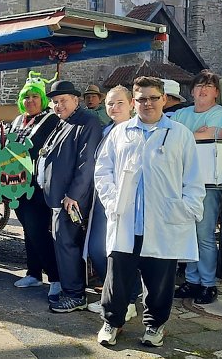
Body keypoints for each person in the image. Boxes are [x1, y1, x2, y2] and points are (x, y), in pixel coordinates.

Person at [94, 76, 205, 347]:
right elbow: (103, 171)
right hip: (127, 220)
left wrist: (187, 209)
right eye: (142, 99)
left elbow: (193, 177)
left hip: (164, 221)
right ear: (134, 102)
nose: (148, 103)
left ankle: (155, 325)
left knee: (160, 281)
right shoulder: (120, 133)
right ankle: (112, 322)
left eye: (154, 98)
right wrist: (112, 202)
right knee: (117, 278)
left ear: (164, 99)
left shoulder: (180, 134)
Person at [38, 80, 103, 312]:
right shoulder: (64, 122)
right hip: (57, 198)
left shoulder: (87, 122)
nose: (59, 105)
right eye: (55, 102)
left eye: (63, 100)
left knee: (67, 245)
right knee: (63, 244)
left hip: (70, 200)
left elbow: (87, 164)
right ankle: (71, 290)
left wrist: (73, 195)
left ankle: (75, 295)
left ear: (76, 100)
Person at [171, 70, 222, 305]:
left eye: (208, 86)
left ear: (216, 92)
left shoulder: (219, 113)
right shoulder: (181, 113)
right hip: (181, 183)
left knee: (204, 235)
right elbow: (169, 137)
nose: (203, 89)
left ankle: (208, 284)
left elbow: (217, 134)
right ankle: (191, 280)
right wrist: (197, 134)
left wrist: (184, 137)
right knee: (187, 234)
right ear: (192, 91)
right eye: (199, 85)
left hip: (208, 184)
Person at [85, 85, 140, 318]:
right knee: (100, 250)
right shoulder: (107, 129)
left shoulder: (136, 131)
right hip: (102, 199)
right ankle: (114, 296)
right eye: (110, 103)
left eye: (120, 103)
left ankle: (128, 300)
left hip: (125, 200)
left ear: (131, 104)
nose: (114, 107)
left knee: (122, 252)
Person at [8, 75, 62, 302]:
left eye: (35, 97)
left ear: (42, 99)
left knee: (38, 231)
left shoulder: (51, 120)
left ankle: (56, 277)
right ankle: (33, 273)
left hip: (36, 187)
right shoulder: (18, 120)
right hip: (15, 185)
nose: (30, 101)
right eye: (26, 97)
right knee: (28, 231)